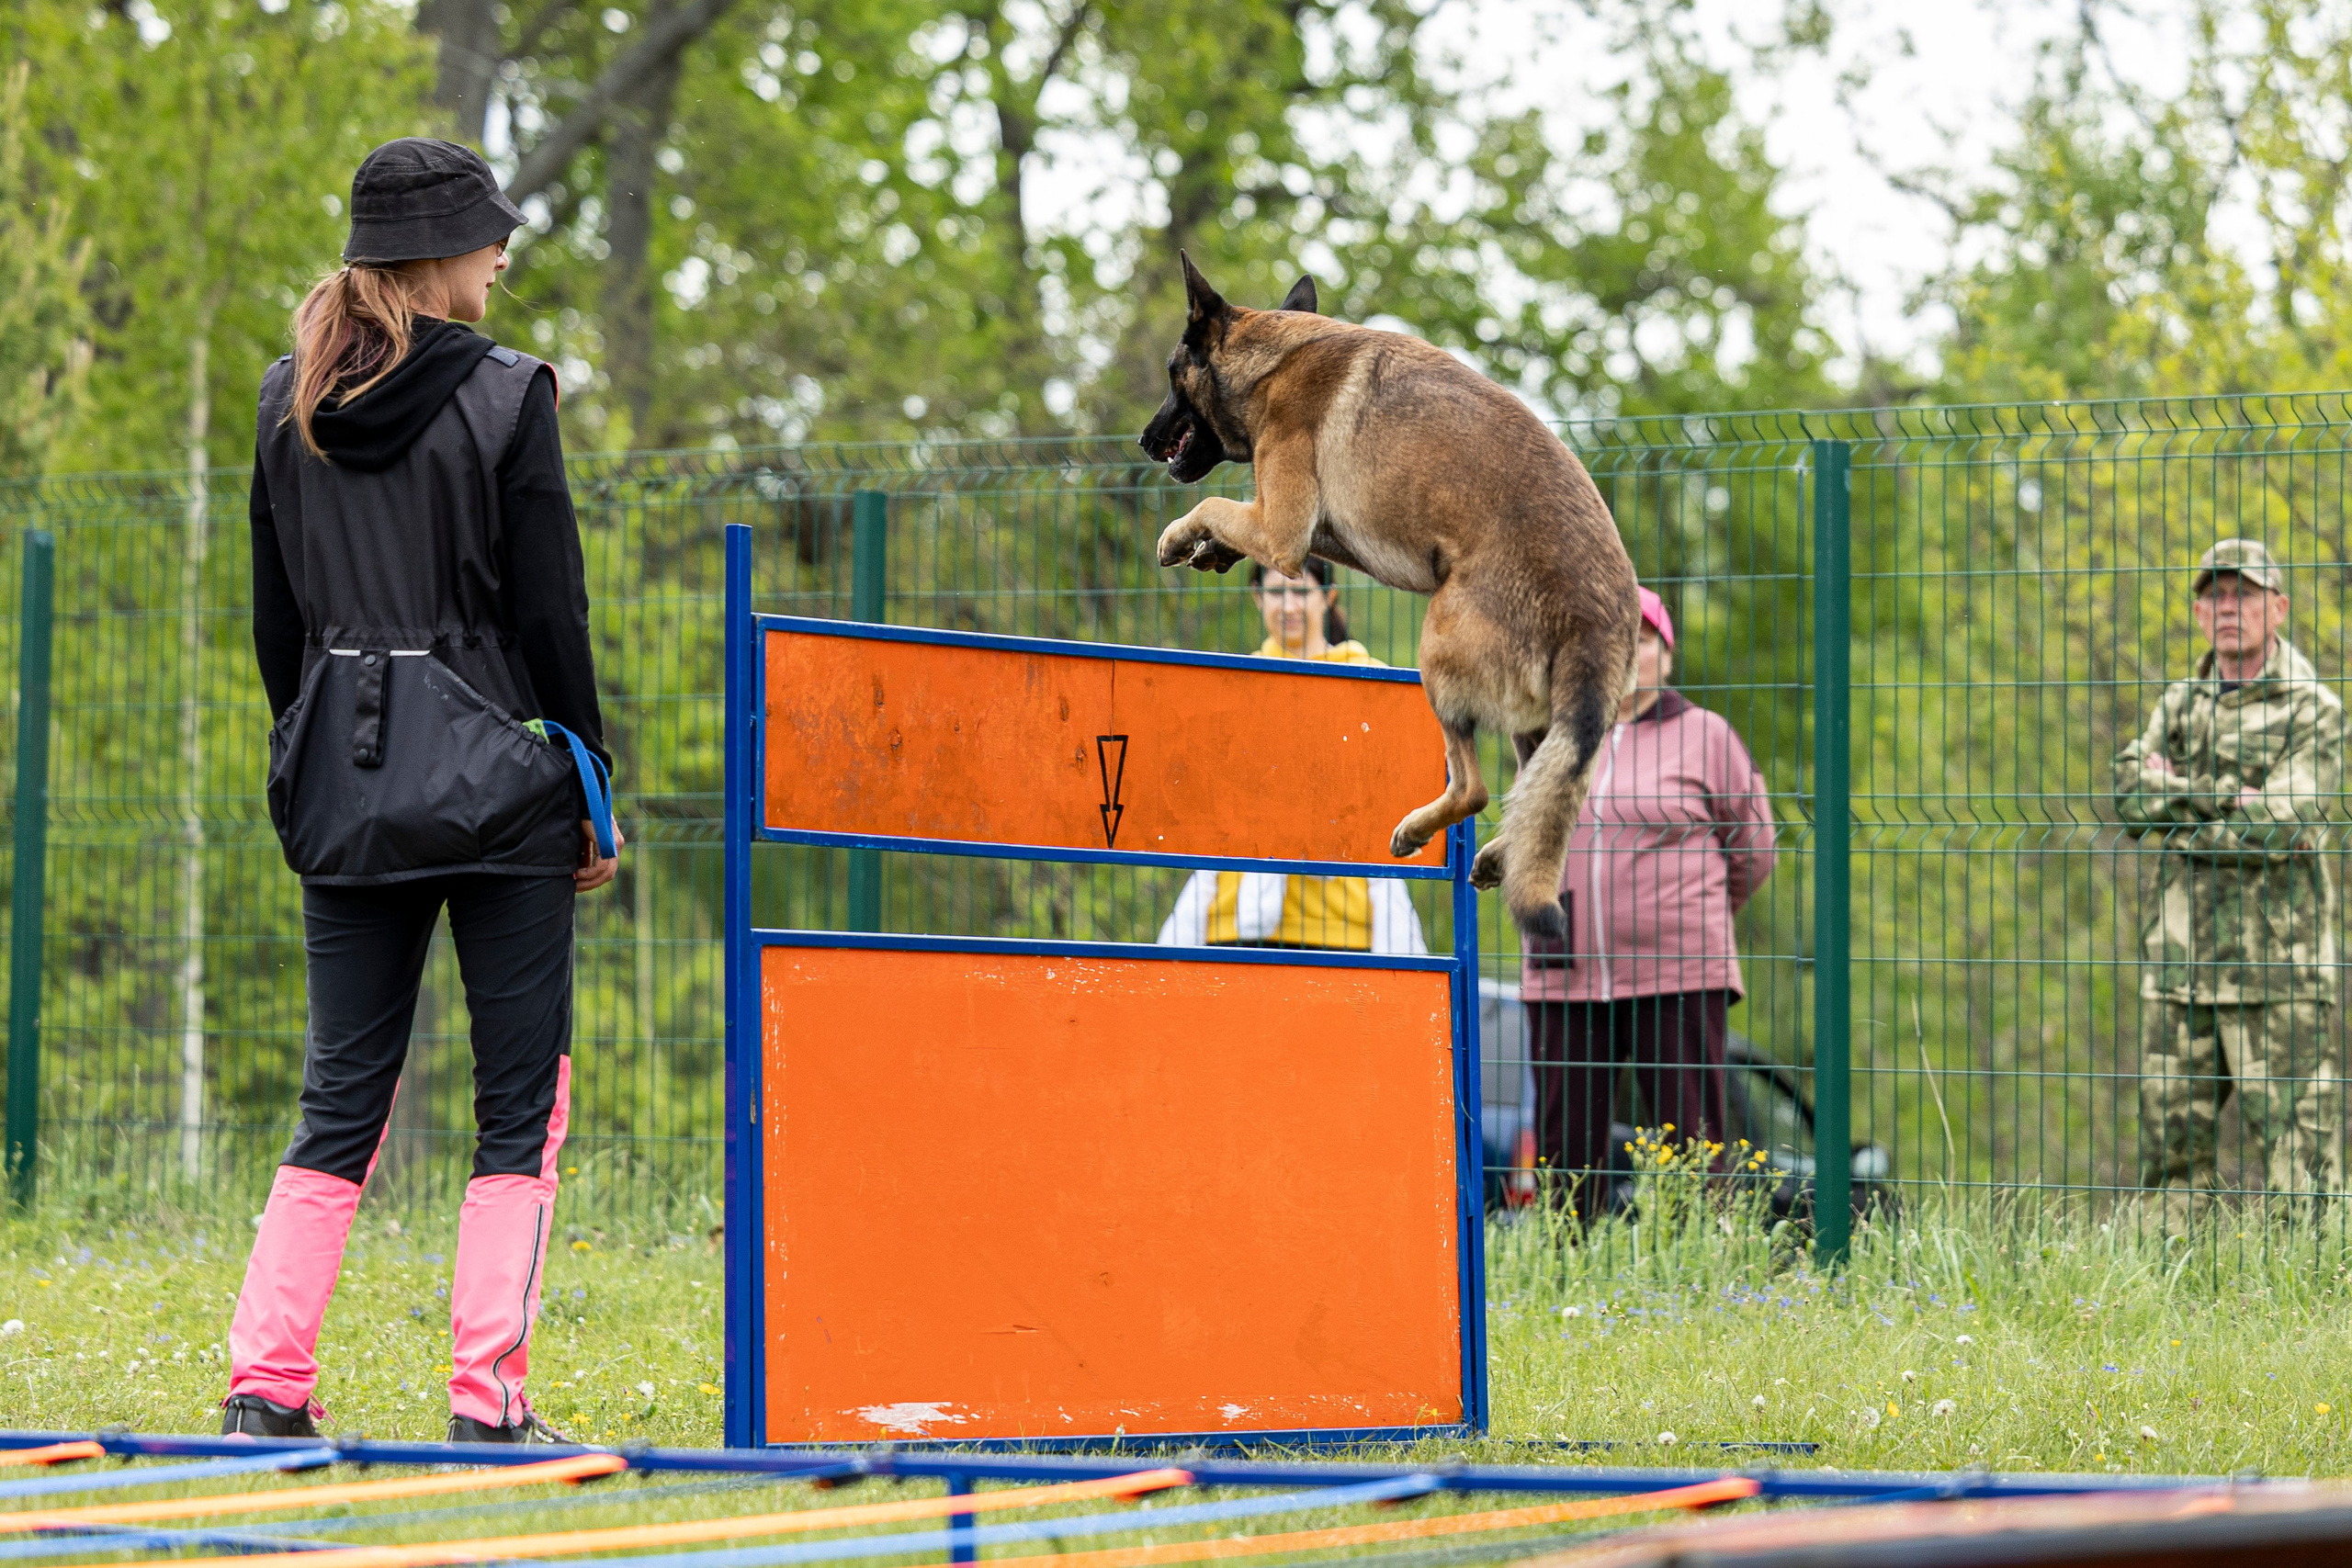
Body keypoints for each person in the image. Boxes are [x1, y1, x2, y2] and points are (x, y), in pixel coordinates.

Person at [220, 139, 618, 1443]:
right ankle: (485, 1395)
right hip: (502, 786)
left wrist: (327, 745)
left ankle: (265, 1386)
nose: (505, 252)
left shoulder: (291, 398)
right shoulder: (510, 395)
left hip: (345, 781)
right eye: (490, 234)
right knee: (520, 1100)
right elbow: (552, 615)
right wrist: (586, 784)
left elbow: (277, 628)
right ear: (441, 251)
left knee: (340, 1092)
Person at [1521, 587, 1776, 1217]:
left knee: (1690, 1137)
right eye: (1613, 640)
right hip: (1566, 968)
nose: (1628, 653)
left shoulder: (1706, 736)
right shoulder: (1553, 735)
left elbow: (1754, 847)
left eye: (1642, 639)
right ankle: (1567, 1268)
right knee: (1565, 1145)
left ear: (1667, 654)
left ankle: (1695, 1266)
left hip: (1679, 970)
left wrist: (1696, 914)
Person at [2113, 538, 2343, 1222]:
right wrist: (2229, 795)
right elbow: (2128, 796)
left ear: (2279, 607)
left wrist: (2181, 797)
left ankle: (2308, 1302)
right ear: (2197, 608)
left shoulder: (2314, 710)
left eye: (2243, 593)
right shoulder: (2182, 702)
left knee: (2300, 1165)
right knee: (2169, 1159)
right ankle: (2165, 1296)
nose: (2227, 607)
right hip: (2180, 965)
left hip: (2279, 972)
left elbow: (2281, 825)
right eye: (2214, 594)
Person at [1155, 560, 1428, 953]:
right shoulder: (1237, 683)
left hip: (1339, 923)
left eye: (1300, 592)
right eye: (1276, 593)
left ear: (1327, 597)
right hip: (1235, 922)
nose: (1288, 606)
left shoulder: (1370, 679)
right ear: (1257, 597)